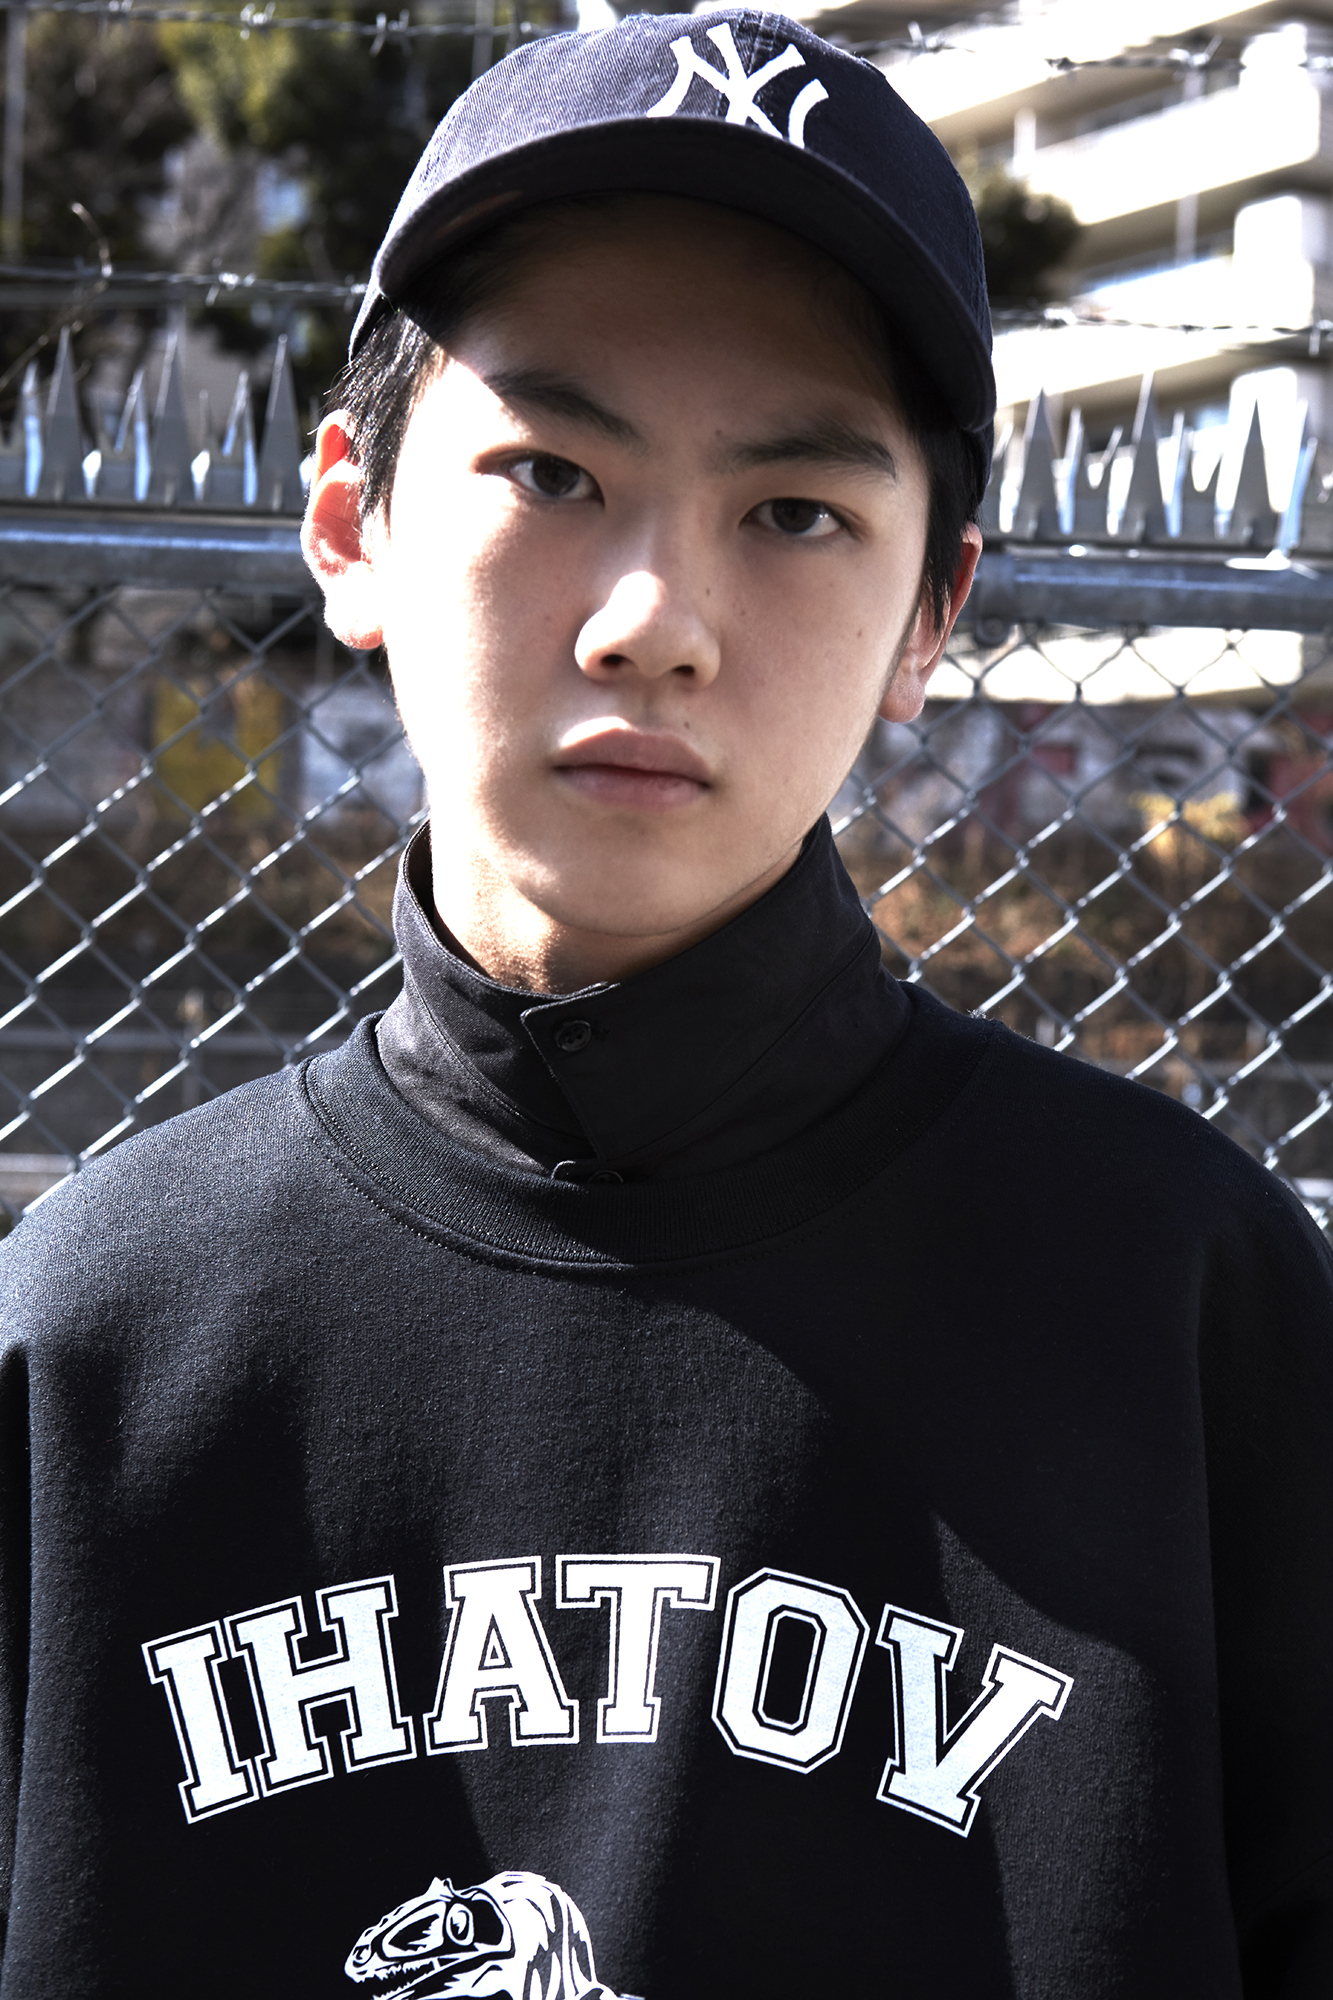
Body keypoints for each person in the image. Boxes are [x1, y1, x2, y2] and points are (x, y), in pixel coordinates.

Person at [1, 11, 1330, 1996]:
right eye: (550, 470)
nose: (653, 621)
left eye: (793, 512)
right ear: (352, 524)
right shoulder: (94, 1340)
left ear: (933, 612)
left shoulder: (1188, 1307)